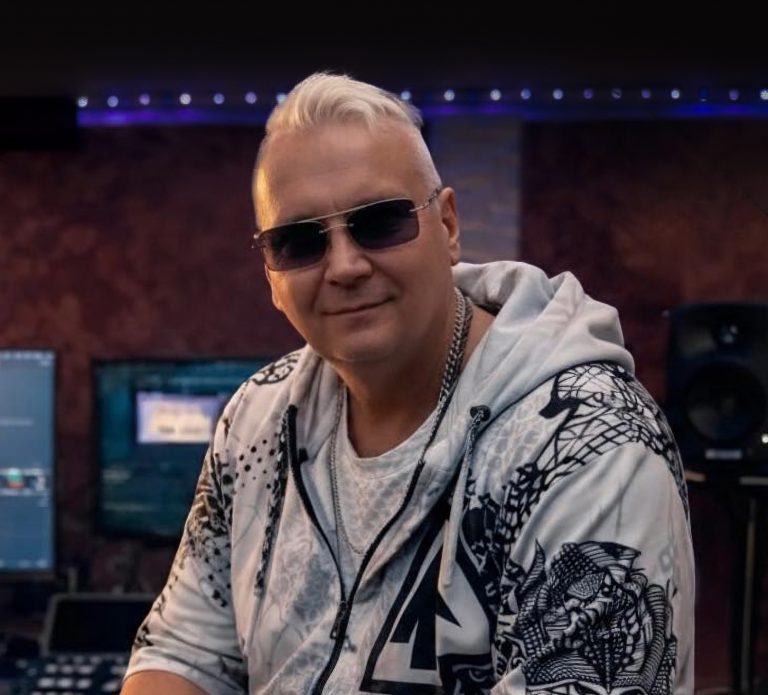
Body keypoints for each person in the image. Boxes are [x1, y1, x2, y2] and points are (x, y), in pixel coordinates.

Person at [121, 72, 694, 695]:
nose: (344, 266)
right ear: (270, 275)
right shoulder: (256, 418)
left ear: (448, 226)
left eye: (380, 222)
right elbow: (183, 654)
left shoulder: (591, 443)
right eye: (299, 241)